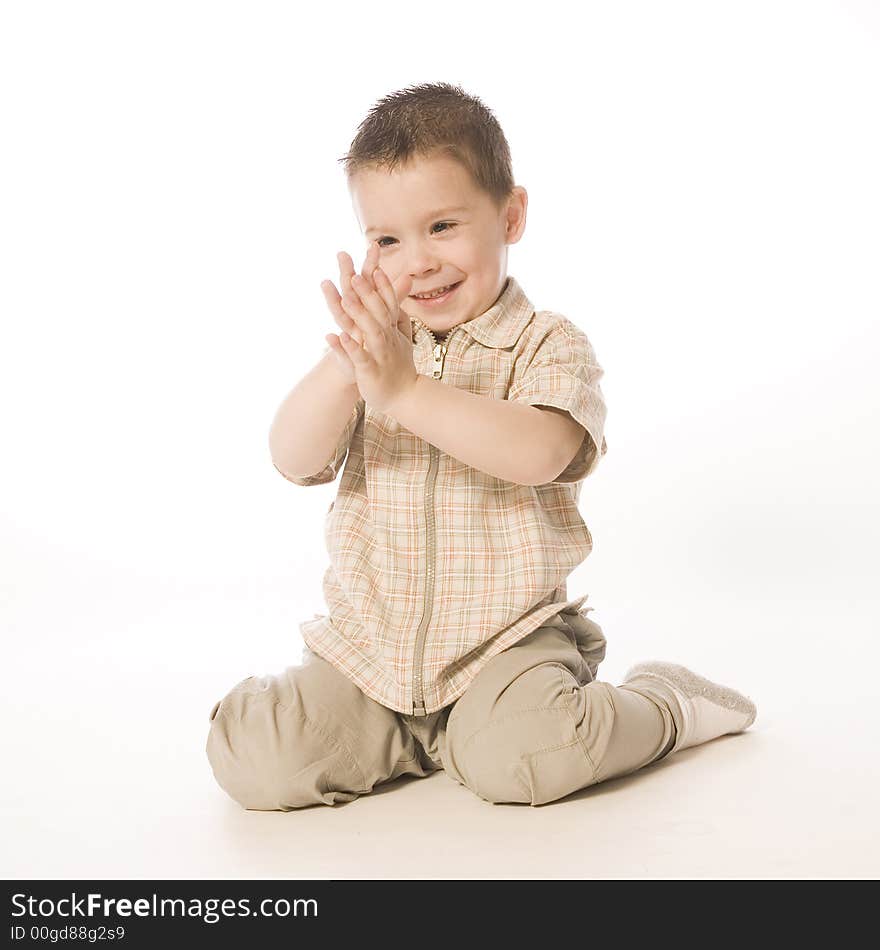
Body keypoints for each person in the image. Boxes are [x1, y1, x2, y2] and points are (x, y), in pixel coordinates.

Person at [206, 82, 757, 810]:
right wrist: (350, 366)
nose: (418, 261)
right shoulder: (373, 356)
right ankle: (411, 738)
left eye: (442, 226)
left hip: (508, 647)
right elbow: (292, 456)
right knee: (254, 756)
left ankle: (664, 707)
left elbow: (540, 453)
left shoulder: (546, 345)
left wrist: (404, 393)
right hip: (373, 654)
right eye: (387, 240)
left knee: (526, 761)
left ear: (511, 215)